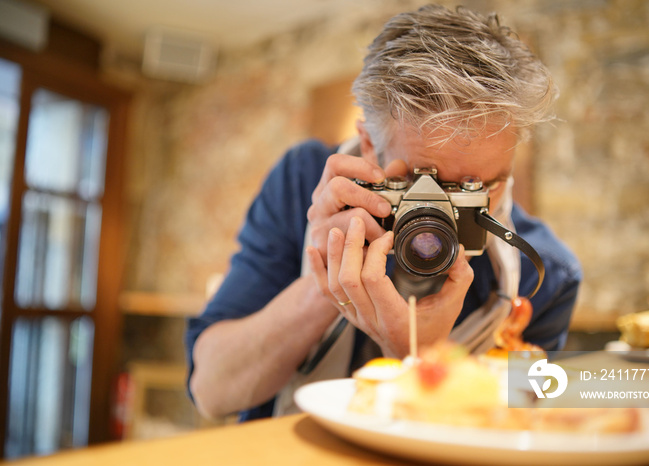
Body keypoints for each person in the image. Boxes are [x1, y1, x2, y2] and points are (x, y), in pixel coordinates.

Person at [186, 4, 582, 421]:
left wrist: (422, 358)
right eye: (420, 178)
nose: (440, 214)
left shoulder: (545, 277)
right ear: (369, 145)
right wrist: (326, 279)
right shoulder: (305, 183)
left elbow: (521, 429)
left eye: (476, 187)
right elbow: (211, 391)